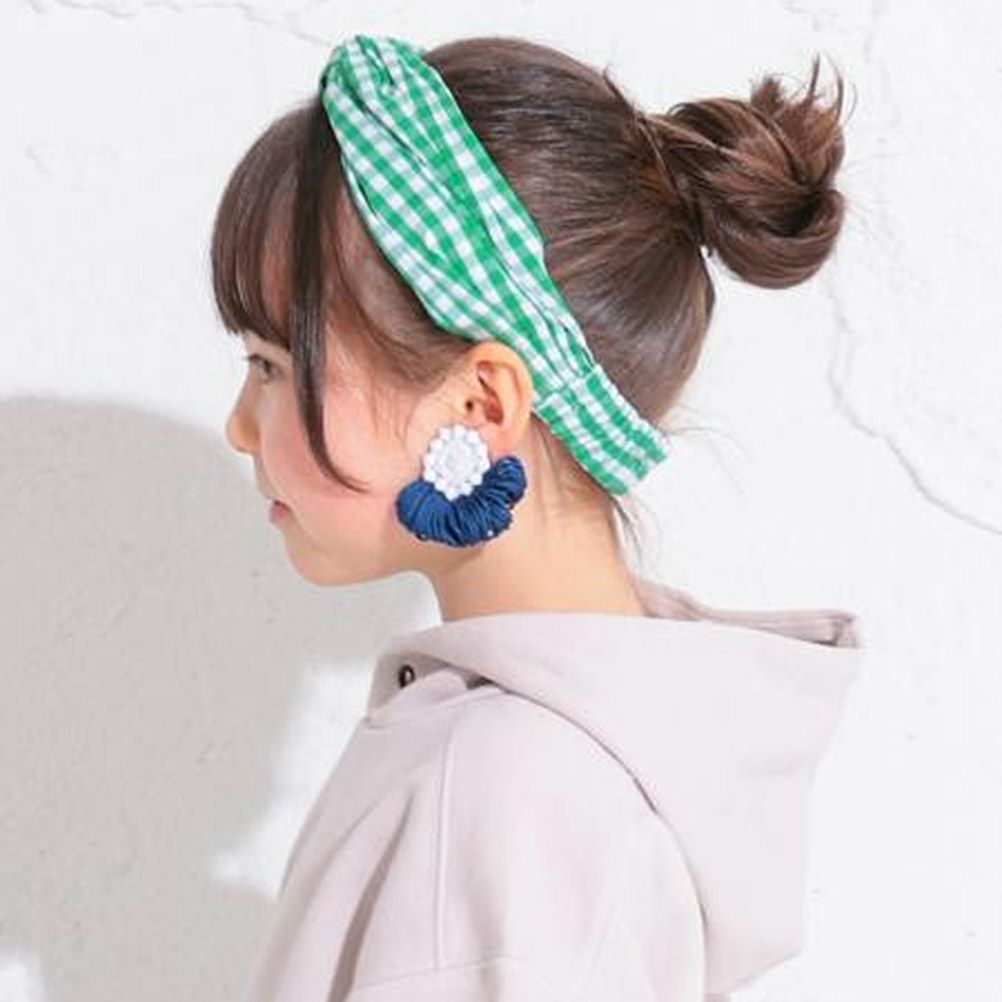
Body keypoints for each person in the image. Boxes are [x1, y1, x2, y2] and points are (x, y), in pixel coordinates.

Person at [212, 33, 863, 1002]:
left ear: (481, 405)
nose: (239, 425)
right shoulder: (570, 756)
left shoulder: (503, 793)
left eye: (272, 365)